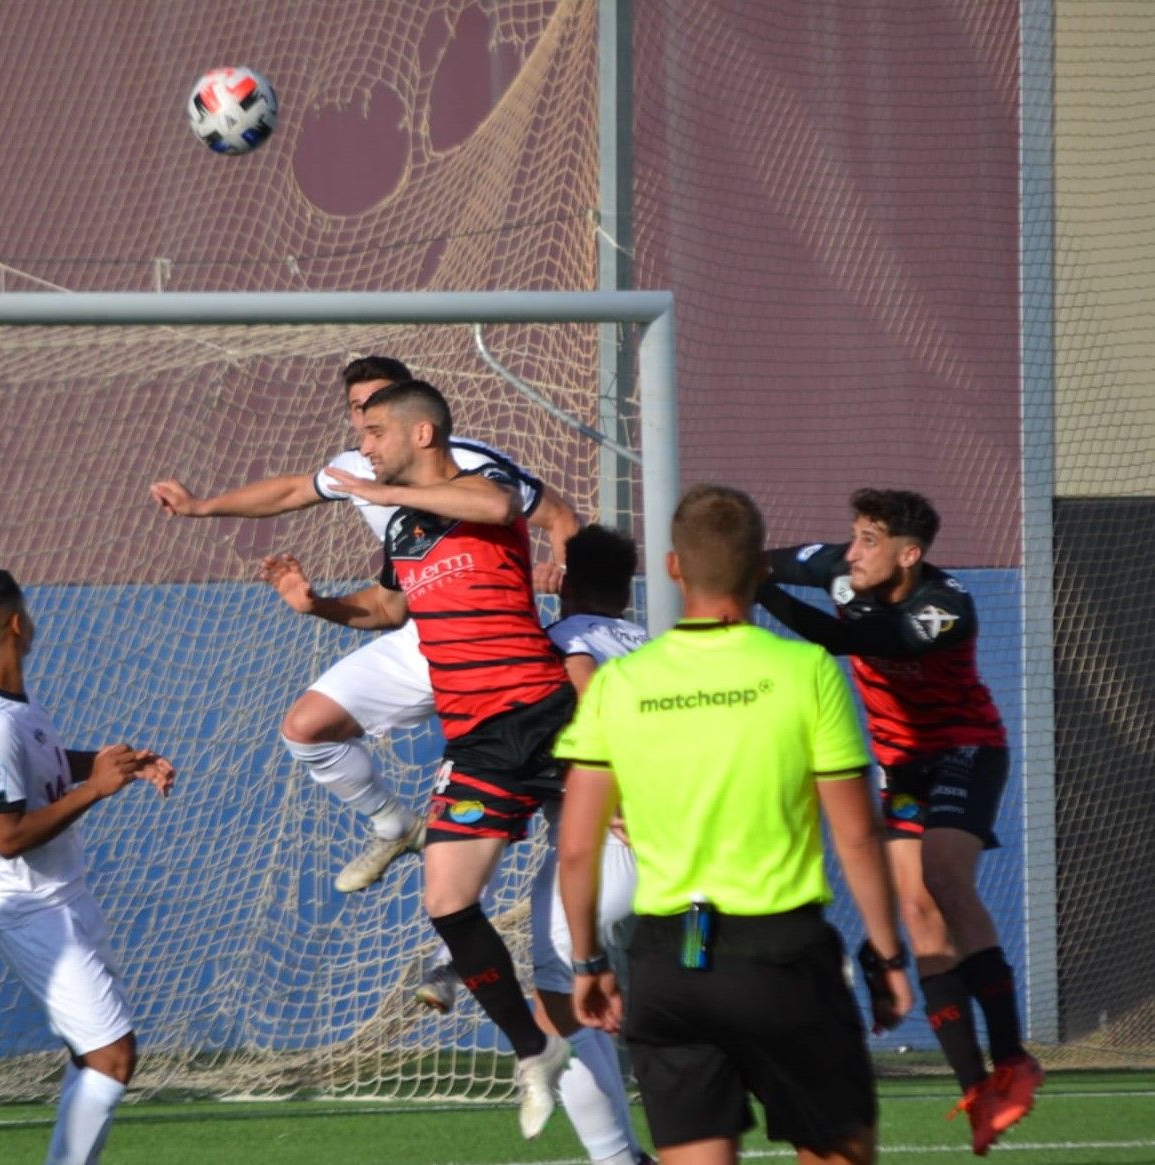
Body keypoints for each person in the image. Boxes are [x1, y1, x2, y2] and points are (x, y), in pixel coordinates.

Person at [556, 485, 914, 1165]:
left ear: (673, 568)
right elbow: (859, 834)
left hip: (665, 966)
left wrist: (588, 961)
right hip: (781, 958)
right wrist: (889, 953)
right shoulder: (804, 668)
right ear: (759, 571)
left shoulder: (618, 684)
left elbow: (578, 849)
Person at [259, 379, 577, 1138]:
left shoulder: (482, 483)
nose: (362, 444)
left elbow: (501, 510)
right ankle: (534, 1050)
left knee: (635, 870)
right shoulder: (402, 527)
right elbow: (390, 607)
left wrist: (365, 486)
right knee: (445, 900)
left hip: (550, 716)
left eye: (372, 431)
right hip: (479, 740)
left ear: (421, 433)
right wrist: (319, 606)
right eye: (361, 435)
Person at [152, 355, 580, 893]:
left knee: (570, 829)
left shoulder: (468, 463)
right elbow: (372, 590)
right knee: (306, 728)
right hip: (425, 637)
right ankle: (395, 826)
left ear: (414, 416)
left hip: (499, 653)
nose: (364, 424)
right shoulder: (362, 471)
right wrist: (204, 509)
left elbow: (546, 514)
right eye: (358, 411)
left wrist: (571, 620)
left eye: (376, 412)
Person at [755, 488, 1042, 1154]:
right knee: (915, 909)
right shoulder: (841, 566)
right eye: (853, 535)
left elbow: (851, 637)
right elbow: (764, 559)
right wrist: (731, 560)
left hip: (965, 748)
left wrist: (761, 592)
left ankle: (1012, 1056)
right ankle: (976, 1090)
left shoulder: (945, 608)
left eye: (870, 540)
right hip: (901, 763)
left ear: (909, 554)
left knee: (943, 875)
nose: (852, 552)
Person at [415, 525, 652, 1165]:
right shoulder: (651, 643)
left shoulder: (564, 641)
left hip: (618, 844)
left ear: (564, 582)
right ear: (628, 588)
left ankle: (617, 1158)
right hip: (689, 839)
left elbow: (580, 687)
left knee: (557, 1003)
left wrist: (616, 788)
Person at [0, 568, 176, 1165]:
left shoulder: (12, 702)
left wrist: (112, 765)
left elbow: (43, 767)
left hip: (63, 899)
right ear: (19, 623)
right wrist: (97, 790)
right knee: (113, 1057)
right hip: (30, 912)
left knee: (93, 1056)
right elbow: (7, 835)